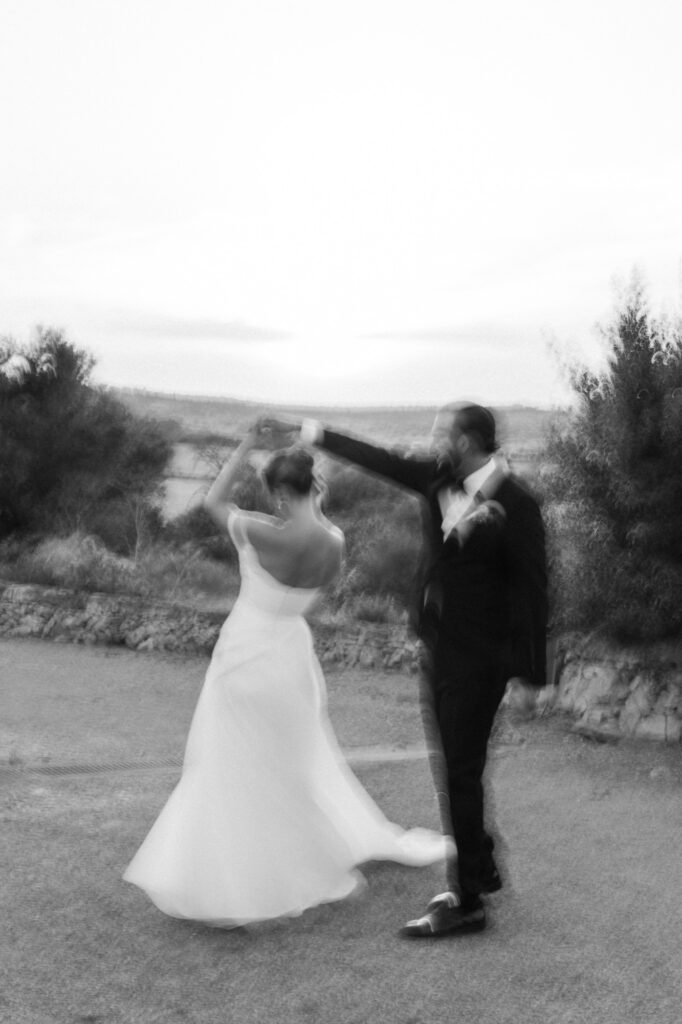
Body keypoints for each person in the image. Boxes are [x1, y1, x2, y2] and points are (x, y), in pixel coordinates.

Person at [123, 425, 448, 928]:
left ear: (278, 492)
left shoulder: (257, 531)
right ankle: (287, 853)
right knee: (291, 761)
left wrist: (247, 443)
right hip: (291, 657)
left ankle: (234, 871)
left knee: (227, 760)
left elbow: (212, 501)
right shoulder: (334, 542)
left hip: (244, 653)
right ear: (315, 485)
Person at [258, 403, 548, 937]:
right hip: (440, 650)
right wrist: (304, 430)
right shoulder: (437, 479)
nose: (436, 442)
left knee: (460, 772)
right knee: (454, 769)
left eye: (444, 435)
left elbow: (533, 589)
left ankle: (467, 902)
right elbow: (376, 458)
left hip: (482, 661)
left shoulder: (518, 505)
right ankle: (479, 865)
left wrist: (531, 676)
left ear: (467, 442)